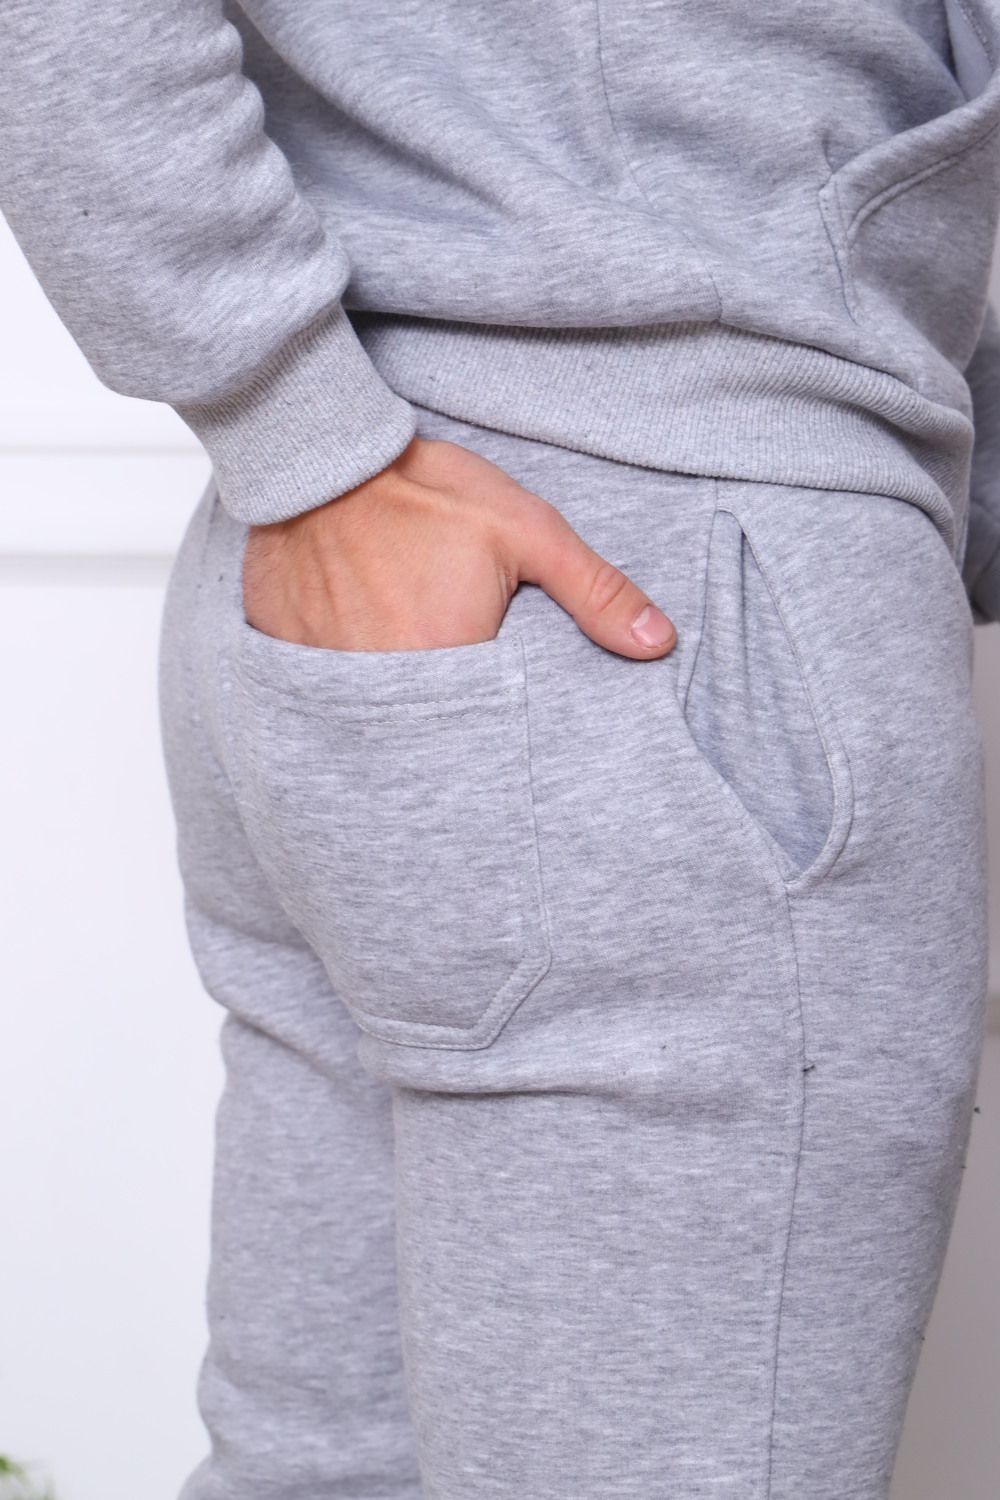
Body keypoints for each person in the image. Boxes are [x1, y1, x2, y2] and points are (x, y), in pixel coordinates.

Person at [2, 2, 999, 1495]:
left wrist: (301, 440)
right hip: (661, 604)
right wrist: (296, 424)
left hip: (350, 596)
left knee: (325, 1471)